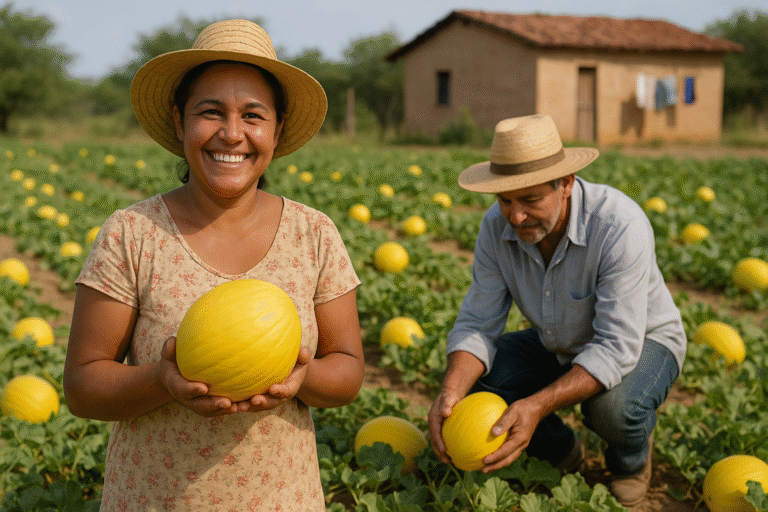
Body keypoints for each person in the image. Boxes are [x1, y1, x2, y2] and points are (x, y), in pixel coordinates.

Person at [63, 19, 364, 511]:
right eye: (211, 112)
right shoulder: (132, 233)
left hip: (282, 499)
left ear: (276, 129)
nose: (231, 134)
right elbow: (83, 387)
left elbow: (348, 370)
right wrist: (161, 380)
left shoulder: (314, 234)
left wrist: (301, 379)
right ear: (180, 122)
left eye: (252, 115)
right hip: (152, 498)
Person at [427, 114, 686, 508]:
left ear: (565, 184)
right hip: (559, 341)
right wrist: (450, 392)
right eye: (505, 200)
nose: (515, 217)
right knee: (477, 385)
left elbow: (617, 347)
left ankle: (629, 462)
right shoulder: (496, 228)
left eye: (530, 200)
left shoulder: (618, 225)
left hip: (642, 340)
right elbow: (479, 323)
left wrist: (536, 404)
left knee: (613, 409)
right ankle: (563, 451)